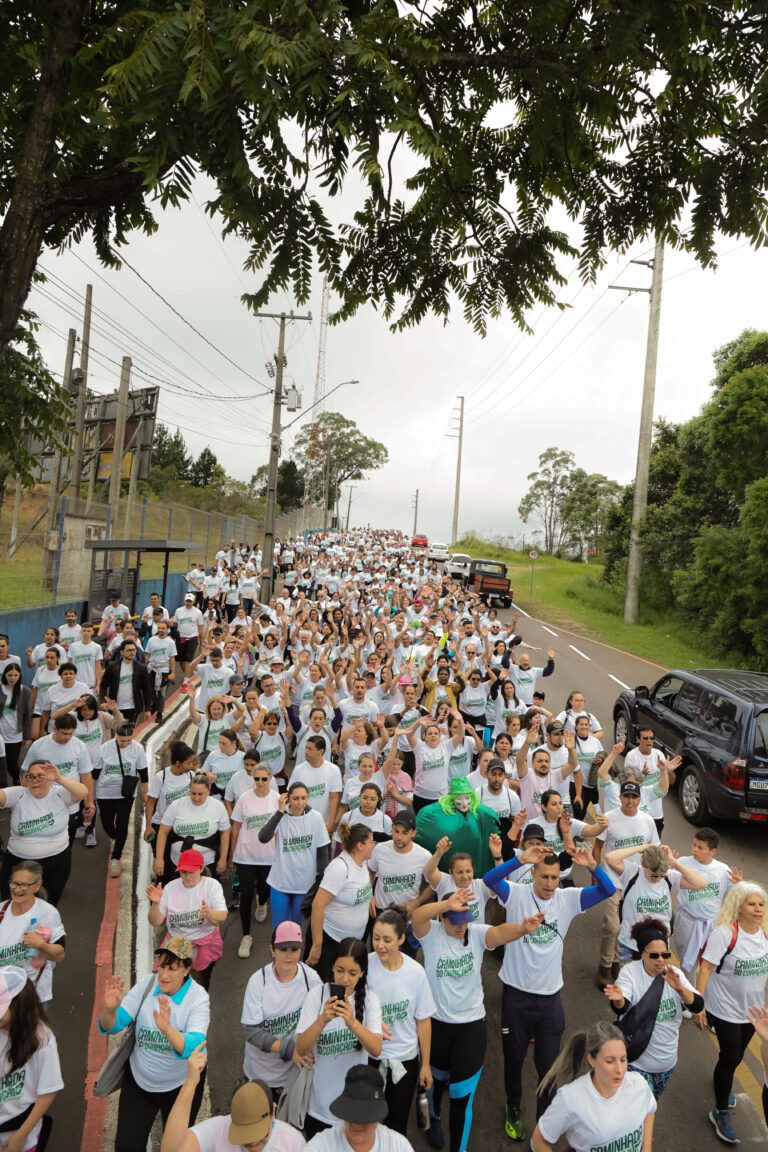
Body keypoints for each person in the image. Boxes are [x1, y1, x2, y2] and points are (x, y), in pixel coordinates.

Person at [483, 841, 616, 1139]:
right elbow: (491, 880)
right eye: (544, 877)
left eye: (555, 878)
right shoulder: (516, 894)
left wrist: (593, 866)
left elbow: (607, 890)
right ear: (533, 874)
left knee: (548, 1066)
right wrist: (519, 859)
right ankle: (513, 1106)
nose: (550, 884)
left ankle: (544, 1122)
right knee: (514, 1061)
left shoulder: (567, 899)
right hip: (515, 996)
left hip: (549, 1001)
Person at [411, 886, 543, 1152]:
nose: (462, 927)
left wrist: (522, 928)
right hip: (436, 1025)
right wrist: (446, 904)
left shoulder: (476, 934)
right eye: (456, 921)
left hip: (470, 1027)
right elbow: (416, 916)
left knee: (461, 1097)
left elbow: (499, 932)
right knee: (436, 1081)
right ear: (442, 918)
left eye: (466, 920)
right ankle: (433, 1118)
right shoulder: (431, 934)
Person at [98, 936, 210, 1152]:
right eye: (162, 966)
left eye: (172, 969)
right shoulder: (147, 985)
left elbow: (195, 1046)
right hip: (140, 1084)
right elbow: (113, 1025)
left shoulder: (198, 998)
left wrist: (167, 1030)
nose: (164, 975)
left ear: (187, 969)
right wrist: (110, 1010)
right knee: (126, 1147)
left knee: (177, 1147)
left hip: (179, 1088)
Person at [695, 880, 768, 1144]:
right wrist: (699, 1005)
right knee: (730, 1057)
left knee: (735, 1055)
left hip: (752, 1013)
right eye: (752, 904)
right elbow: (705, 968)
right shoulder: (725, 933)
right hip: (724, 1008)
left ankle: (722, 1083)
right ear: (738, 907)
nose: (758, 909)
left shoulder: (764, 934)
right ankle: (720, 1112)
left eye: (761, 904)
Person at [603, 917, 703, 1099]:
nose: (660, 959)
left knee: (650, 1106)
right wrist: (618, 1000)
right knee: (636, 1109)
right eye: (654, 955)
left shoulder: (674, 974)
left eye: (665, 955)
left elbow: (698, 1005)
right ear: (642, 953)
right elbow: (622, 1008)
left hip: (667, 1065)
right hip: (636, 1064)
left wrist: (680, 989)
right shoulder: (630, 973)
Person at [296, 937, 383, 1139]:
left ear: (362, 973)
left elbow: (376, 1049)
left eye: (352, 973)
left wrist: (352, 1022)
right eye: (340, 970)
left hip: (354, 1106)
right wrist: (322, 1020)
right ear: (332, 967)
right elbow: (301, 1048)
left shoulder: (370, 1000)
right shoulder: (316, 996)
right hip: (319, 1106)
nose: (345, 979)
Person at [532, 1021, 656, 1152]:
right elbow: (539, 1138)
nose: (619, 1069)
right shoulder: (570, 1100)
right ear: (591, 1059)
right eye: (610, 1061)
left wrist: (647, 1148)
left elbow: (649, 1108)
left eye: (623, 1059)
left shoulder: (638, 1085)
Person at [161, 1043, 306, 1152]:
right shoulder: (219, 1130)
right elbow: (172, 1150)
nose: (253, 1143)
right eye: (244, 1133)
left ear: (273, 1113)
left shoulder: (292, 1141)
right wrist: (190, 1083)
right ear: (232, 1118)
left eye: (259, 1132)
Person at [367, 907, 435, 1135]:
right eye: (376, 938)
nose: (380, 945)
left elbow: (423, 1021)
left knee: (397, 1126)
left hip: (405, 1061)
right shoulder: (364, 966)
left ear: (401, 939)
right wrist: (369, 1019)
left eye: (387, 940)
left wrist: (425, 1065)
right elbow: (349, 1003)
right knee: (368, 1125)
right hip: (370, 1058)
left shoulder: (415, 972)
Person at [241, 921, 322, 1095]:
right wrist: (291, 1050)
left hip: (294, 1074)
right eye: (283, 949)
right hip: (260, 1076)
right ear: (272, 950)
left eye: (294, 949)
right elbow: (252, 1032)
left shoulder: (310, 978)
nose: (289, 955)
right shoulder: (258, 981)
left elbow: (323, 1016)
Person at [594, 780, 660, 989]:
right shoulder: (609, 819)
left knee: (628, 927)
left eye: (634, 797)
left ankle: (617, 961)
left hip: (637, 883)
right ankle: (605, 966)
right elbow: (598, 847)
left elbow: (654, 851)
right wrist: (595, 873)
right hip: (613, 882)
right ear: (620, 797)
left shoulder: (648, 821)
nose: (630, 801)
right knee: (612, 926)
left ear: (639, 799)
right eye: (626, 796)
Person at [0, 760, 88, 905]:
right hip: (17, 864)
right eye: (31, 776)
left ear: (50, 778)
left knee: (47, 907)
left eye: (40, 776)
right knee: (11, 906)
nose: (35, 780)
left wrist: (59, 778)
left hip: (55, 863)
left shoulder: (59, 793)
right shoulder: (18, 794)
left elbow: (83, 792)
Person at [605, 842, 706, 963]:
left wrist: (673, 862)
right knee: (627, 975)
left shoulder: (669, 877)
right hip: (629, 944)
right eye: (653, 876)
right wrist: (642, 847)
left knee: (655, 975)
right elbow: (610, 858)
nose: (658, 879)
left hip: (659, 948)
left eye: (661, 876)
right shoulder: (632, 872)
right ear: (643, 864)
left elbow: (700, 883)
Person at [0, 965, 63, 1151]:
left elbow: (48, 1091)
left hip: (20, 1137)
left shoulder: (42, 1041)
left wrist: (22, 1135)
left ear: (18, 1005)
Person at [147, 849, 227, 990]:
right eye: (184, 872)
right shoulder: (170, 888)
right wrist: (156, 903)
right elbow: (156, 921)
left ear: (201, 868)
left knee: (200, 987)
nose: (187, 876)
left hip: (203, 946)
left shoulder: (212, 886)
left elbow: (221, 917)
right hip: (175, 947)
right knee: (172, 987)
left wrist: (209, 913)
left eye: (191, 871)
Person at [258, 782, 331, 929]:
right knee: (279, 930)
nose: (300, 802)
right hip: (280, 883)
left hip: (304, 885)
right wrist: (279, 811)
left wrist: (322, 881)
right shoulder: (279, 816)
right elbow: (263, 837)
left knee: (296, 929)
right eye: (296, 798)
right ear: (288, 798)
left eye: (303, 798)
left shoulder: (316, 818)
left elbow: (323, 853)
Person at [673, 827, 742, 981]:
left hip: (713, 925)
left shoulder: (723, 870)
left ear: (713, 851)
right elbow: (667, 882)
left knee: (711, 963)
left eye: (700, 847)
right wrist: (669, 867)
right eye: (694, 845)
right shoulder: (683, 863)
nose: (695, 850)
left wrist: (739, 885)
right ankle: (689, 993)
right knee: (687, 964)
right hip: (688, 921)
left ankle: (706, 991)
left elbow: (738, 896)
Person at [308, 824, 374, 982]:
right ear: (360, 845)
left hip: (352, 944)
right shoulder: (340, 869)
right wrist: (317, 945)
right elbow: (317, 905)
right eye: (371, 842)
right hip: (330, 943)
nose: (374, 845)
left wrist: (370, 896)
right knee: (325, 987)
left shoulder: (362, 862)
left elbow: (361, 884)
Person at [228, 762, 280, 958]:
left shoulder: (276, 800)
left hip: (268, 856)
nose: (260, 782)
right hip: (245, 855)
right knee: (246, 894)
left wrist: (280, 857)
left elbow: (279, 831)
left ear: (270, 779)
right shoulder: (244, 798)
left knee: (264, 889)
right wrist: (231, 855)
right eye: (256, 778)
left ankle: (262, 902)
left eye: (264, 779)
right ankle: (246, 936)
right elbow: (236, 827)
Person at [303, 1064, 417, 1152]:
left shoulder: (399, 1147)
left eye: (364, 1115)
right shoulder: (320, 1146)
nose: (356, 1123)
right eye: (351, 1112)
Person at [0, 860, 65, 1005]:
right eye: (14, 883)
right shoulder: (1, 911)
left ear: (37, 886)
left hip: (33, 997)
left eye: (24, 885)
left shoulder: (48, 913)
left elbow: (60, 955)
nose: (17, 889)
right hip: (3, 994)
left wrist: (41, 945)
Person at [92, 723, 149, 877]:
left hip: (126, 793)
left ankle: (116, 858)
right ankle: (115, 838)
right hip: (105, 792)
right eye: (121, 741)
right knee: (106, 822)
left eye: (128, 740)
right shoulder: (104, 748)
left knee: (122, 823)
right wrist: (88, 795)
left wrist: (145, 792)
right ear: (115, 736)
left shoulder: (137, 748)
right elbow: (95, 773)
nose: (125, 744)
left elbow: (143, 771)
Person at [415, 776, 500, 877]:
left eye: (467, 797)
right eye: (459, 798)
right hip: (445, 877)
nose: (464, 802)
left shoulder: (483, 813)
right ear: (451, 798)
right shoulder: (432, 813)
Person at [155, 773, 231, 881]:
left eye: (200, 794)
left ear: (208, 791)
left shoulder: (218, 806)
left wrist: (223, 859)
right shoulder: (177, 805)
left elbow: (225, 832)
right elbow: (163, 831)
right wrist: (159, 858)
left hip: (206, 863)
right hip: (179, 863)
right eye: (193, 793)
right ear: (189, 790)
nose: (196, 798)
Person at [99, 639, 151, 722]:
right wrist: (103, 701)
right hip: (115, 708)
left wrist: (148, 708)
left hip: (134, 708)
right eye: (129, 650)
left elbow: (146, 689)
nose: (132, 652)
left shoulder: (141, 668)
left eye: (134, 650)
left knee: (131, 730)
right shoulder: (112, 666)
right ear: (122, 652)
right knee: (115, 729)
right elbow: (103, 685)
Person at [0, 663, 32, 787]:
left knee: (12, 764)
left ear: (19, 675)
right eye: (10, 675)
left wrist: (27, 737)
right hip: (1, 733)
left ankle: (16, 779)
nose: (12, 678)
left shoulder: (25, 691)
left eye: (15, 675)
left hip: (15, 735)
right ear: (5, 675)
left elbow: (27, 715)